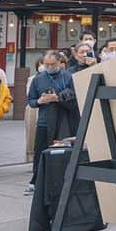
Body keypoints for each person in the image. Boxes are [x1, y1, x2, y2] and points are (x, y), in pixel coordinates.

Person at [26, 50, 79, 194]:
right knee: (40, 152)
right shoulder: (38, 79)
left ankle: (62, 181)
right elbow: (31, 100)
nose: (49, 67)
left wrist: (57, 98)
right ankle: (36, 180)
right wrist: (40, 101)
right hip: (44, 120)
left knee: (61, 151)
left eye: (52, 64)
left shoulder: (68, 77)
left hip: (64, 121)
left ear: (59, 63)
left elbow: (75, 98)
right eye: (46, 64)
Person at [23, 56, 44, 163]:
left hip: (46, 107)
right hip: (33, 108)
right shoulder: (32, 79)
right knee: (31, 133)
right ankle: (31, 157)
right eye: (40, 64)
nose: (42, 67)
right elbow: (29, 94)